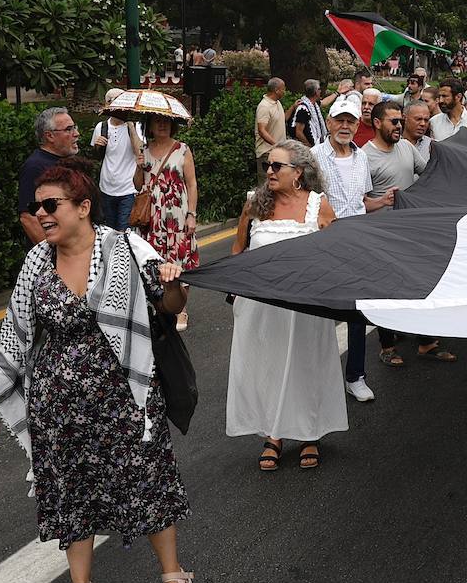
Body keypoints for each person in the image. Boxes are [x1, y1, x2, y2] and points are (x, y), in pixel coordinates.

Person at [0, 159, 193, 583]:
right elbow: (15, 331)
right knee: (72, 493)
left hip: (125, 399)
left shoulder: (126, 248)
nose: (42, 214)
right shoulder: (37, 261)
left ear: (83, 207)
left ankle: (173, 575)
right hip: (58, 406)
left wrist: (175, 284)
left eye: (51, 205)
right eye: (38, 207)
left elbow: (169, 305)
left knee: (145, 483)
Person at [226, 140, 346, 470]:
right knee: (268, 367)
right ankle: (274, 435)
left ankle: (309, 433)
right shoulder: (254, 204)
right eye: (267, 165)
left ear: (298, 172)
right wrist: (234, 290)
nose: (269, 171)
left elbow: (332, 254)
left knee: (306, 365)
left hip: (305, 306)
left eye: (276, 166)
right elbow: (239, 251)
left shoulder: (318, 205)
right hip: (260, 307)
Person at [312, 95, 390, 403]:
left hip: (358, 243)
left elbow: (361, 203)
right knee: (319, 313)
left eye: (351, 121)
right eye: (340, 120)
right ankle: (316, 378)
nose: (345, 126)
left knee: (357, 312)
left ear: (358, 125)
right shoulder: (313, 157)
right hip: (324, 245)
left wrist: (382, 203)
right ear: (329, 123)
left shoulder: (361, 159)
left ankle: (355, 376)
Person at [133, 113, 199, 332]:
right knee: (153, 262)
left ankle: (181, 309)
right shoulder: (143, 150)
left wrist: (192, 214)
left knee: (179, 259)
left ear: (172, 126)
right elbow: (137, 185)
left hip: (177, 217)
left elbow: (191, 184)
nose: (162, 125)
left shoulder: (182, 149)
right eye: (157, 121)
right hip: (151, 220)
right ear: (149, 125)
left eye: (166, 122)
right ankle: (159, 307)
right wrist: (138, 166)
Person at [19, 107, 80, 245]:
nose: (76, 134)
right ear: (50, 136)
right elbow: (28, 218)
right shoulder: (35, 167)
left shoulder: (70, 160)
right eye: (68, 129)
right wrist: (53, 254)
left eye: (75, 127)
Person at [89, 97, 146, 231]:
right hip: (106, 188)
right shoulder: (101, 127)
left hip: (128, 189)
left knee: (124, 232)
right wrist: (97, 146)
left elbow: (140, 154)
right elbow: (96, 158)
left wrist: (130, 125)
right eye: (111, 102)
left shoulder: (136, 126)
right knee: (109, 231)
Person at [255, 77, 287, 176]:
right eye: (283, 89)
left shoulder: (277, 103)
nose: (285, 91)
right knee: (267, 186)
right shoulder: (264, 106)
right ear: (276, 90)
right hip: (267, 153)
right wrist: (277, 145)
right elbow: (262, 130)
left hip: (277, 151)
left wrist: (293, 107)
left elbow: (282, 119)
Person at [289, 79, 326, 147]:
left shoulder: (315, 105)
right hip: (309, 148)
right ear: (315, 92)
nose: (320, 91)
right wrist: (309, 145)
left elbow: (325, 102)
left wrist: (337, 93)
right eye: (319, 89)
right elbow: (298, 132)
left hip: (317, 145)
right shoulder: (303, 109)